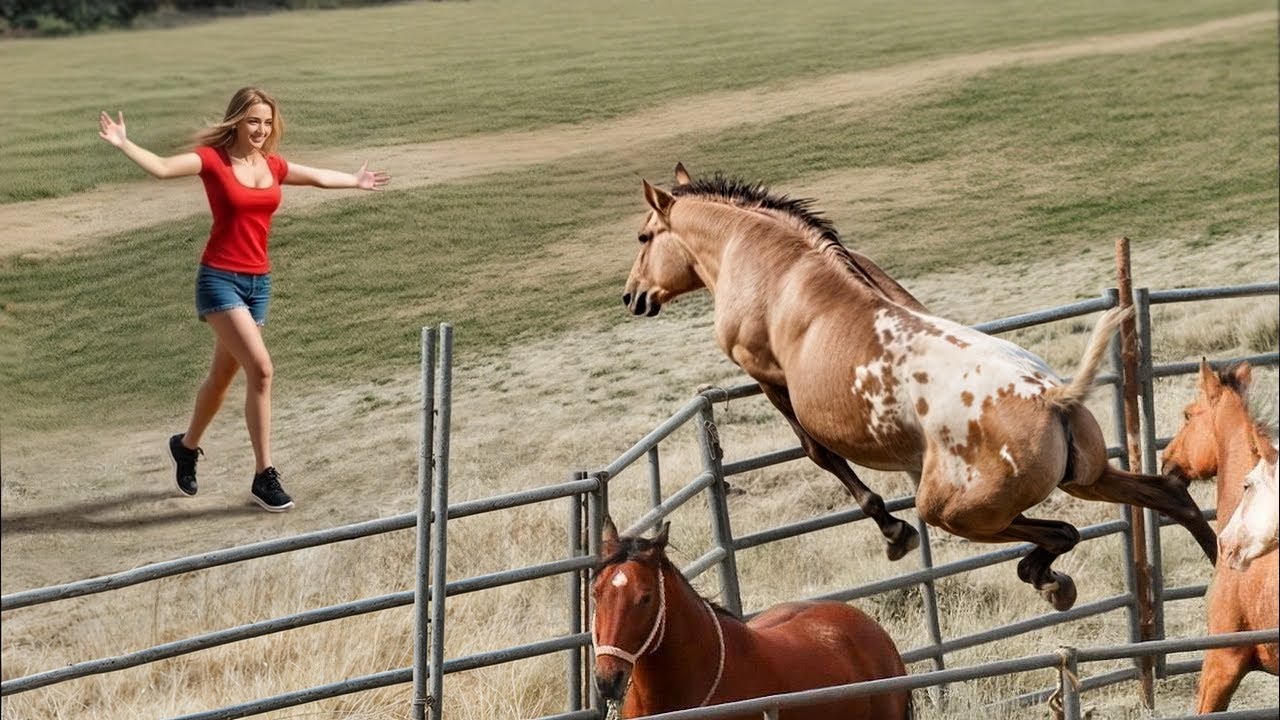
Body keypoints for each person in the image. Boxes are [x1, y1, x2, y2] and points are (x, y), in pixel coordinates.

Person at [98, 86, 390, 512]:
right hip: (219, 281)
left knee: (222, 379)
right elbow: (161, 168)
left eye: (268, 122)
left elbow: (317, 176)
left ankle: (186, 445)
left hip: (259, 285)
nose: (261, 129)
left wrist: (355, 181)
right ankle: (263, 475)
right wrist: (125, 143)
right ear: (236, 120)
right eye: (254, 120)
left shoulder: (271, 164)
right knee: (262, 370)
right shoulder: (213, 161)